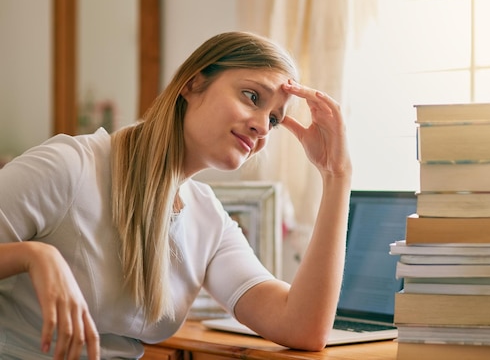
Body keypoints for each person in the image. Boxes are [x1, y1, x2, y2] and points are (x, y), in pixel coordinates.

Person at [0, 31, 352, 359]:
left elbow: (302, 327)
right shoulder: (70, 167)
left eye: (274, 119)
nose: (262, 126)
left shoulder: (208, 219)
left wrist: (336, 175)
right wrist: (32, 255)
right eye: (252, 97)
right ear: (193, 82)